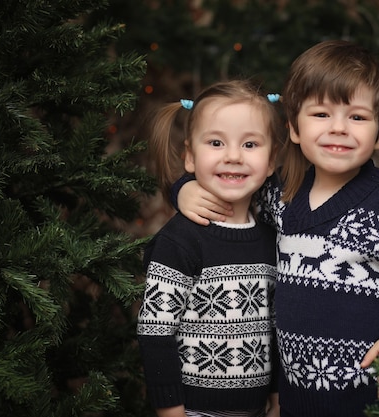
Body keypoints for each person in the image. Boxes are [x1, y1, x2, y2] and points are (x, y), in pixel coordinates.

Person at [173, 40, 379, 417]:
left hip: (366, 399)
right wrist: (185, 188)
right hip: (293, 400)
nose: (339, 128)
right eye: (322, 114)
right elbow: (230, 185)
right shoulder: (279, 194)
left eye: (357, 118)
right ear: (294, 127)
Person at [137, 79, 282, 417]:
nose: (233, 156)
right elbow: (155, 332)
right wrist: (170, 410)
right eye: (216, 142)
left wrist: (276, 392)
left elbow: (274, 326)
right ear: (190, 156)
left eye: (250, 144)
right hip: (194, 410)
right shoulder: (181, 240)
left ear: (272, 159)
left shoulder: (271, 236)